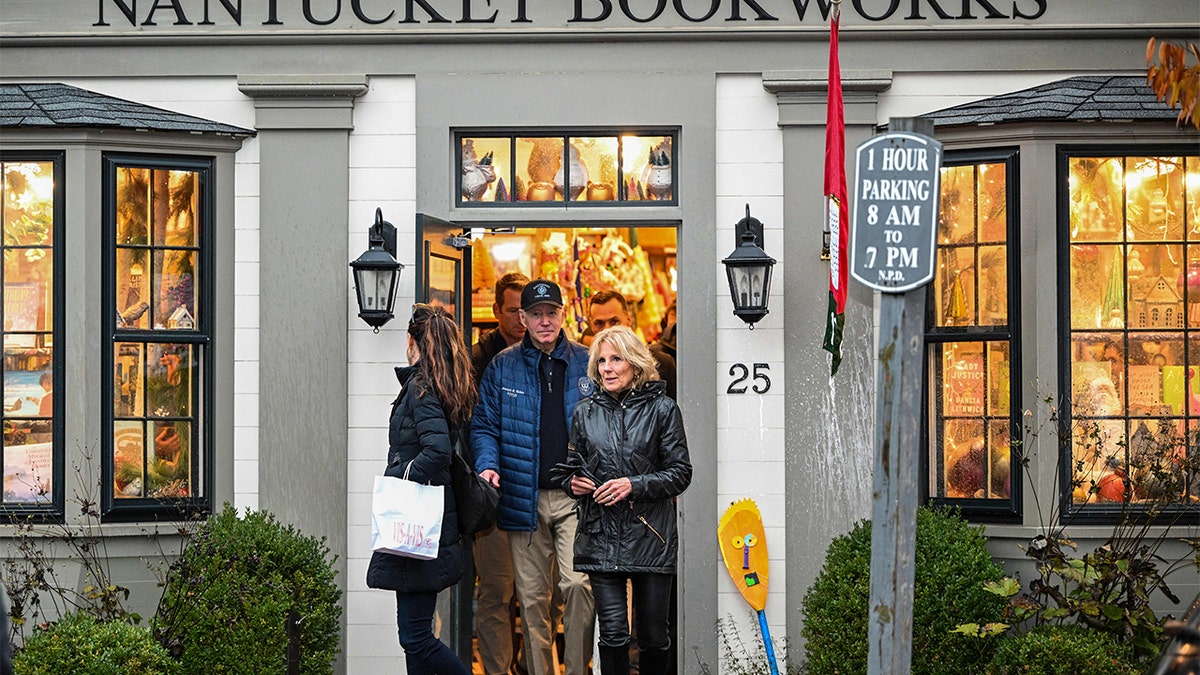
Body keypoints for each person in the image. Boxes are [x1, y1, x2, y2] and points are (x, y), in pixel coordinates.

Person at [472, 279, 595, 675]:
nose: (545, 321)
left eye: (552, 313)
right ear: (522, 318)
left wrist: (590, 474)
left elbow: (608, 428)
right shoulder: (502, 365)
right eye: (536, 314)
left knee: (577, 586)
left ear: (563, 315)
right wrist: (487, 464)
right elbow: (484, 426)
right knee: (532, 600)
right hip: (522, 499)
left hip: (575, 499)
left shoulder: (587, 361)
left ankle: (577, 669)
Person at [560, 326, 692, 675]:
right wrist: (574, 483)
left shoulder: (663, 410)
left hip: (651, 535)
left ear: (635, 363)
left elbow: (681, 473)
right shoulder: (585, 412)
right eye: (601, 361)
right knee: (615, 634)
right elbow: (572, 467)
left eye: (615, 359)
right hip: (601, 534)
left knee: (651, 636)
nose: (606, 368)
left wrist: (632, 485)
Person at [366, 303, 475, 675]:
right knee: (414, 636)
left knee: (415, 637)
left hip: (416, 522)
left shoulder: (421, 387)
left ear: (412, 340)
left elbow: (437, 452)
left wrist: (402, 477)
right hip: (425, 525)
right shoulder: (437, 383)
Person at [470, 272, 527, 675]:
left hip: (537, 490)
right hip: (493, 492)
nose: (522, 319)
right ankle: (498, 670)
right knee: (495, 591)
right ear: (496, 312)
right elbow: (475, 423)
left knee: (547, 594)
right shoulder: (477, 358)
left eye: (527, 311)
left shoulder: (549, 353)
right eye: (513, 311)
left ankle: (529, 663)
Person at [587, 290, 676, 400]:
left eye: (614, 321)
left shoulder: (661, 363)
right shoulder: (585, 366)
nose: (608, 329)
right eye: (599, 323)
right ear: (591, 325)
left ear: (629, 320)